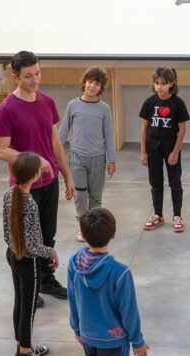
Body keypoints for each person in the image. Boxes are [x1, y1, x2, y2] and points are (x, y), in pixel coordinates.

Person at [68, 207, 149, 356]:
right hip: (114, 342)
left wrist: (76, 327)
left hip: (88, 337)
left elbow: (72, 298)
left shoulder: (74, 263)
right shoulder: (120, 272)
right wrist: (137, 341)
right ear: (113, 235)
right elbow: (129, 311)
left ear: (83, 234)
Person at [0, 50, 75, 301]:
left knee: (47, 234)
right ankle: (29, 285)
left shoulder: (47, 102)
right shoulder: (7, 108)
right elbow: (1, 150)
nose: (35, 80)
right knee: (25, 239)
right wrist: (33, 160)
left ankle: (45, 280)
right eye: (28, 76)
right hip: (25, 186)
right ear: (15, 77)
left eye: (37, 73)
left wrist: (67, 175)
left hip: (49, 182)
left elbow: (55, 143)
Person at [4, 152, 60, 356]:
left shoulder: (9, 194)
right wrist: (50, 252)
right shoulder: (30, 204)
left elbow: (7, 233)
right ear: (35, 175)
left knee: (20, 302)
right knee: (28, 310)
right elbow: (34, 245)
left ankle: (22, 348)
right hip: (28, 263)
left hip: (13, 255)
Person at [59, 67, 116, 243]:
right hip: (77, 158)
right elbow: (63, 132)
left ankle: (94, 226)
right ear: (84, 83)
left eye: (97, 83)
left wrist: (111, 160)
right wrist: (55, 153)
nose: (92, 86)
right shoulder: (73, 105)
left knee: (95, 195)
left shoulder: (104, 109)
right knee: (80, 194)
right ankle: (83, 226)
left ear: (101, 87)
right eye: (90, 81)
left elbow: (109, 135)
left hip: (98, 158)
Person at [139, 66, 190, 232]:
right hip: (152, 145)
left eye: (163, 83)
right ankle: (158, 215)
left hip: (170, 146)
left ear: (171, 84)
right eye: (156, 83)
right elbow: (144, 128)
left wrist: (175, 152)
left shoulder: (178, 103)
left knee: (175, 181)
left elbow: (182, 130)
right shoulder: (150, 102)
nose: (159, 87)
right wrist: (143, 151)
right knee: (155, 182)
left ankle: (177, 215)